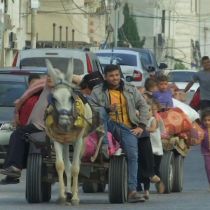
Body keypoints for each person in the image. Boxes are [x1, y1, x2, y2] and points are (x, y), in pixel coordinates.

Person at [90, 64, 149, 203]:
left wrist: (141, 125)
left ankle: (132, 191)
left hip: (126, 127)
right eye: (111, 76)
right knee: (101, 111)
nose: (114, 78)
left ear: (120, 75)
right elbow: (90, 107)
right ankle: (104, 148)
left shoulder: (130, 89)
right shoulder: (97, 90)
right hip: (105, 124)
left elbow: (143, 106)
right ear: (105, 77)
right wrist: (106, 108)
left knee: (133, 155)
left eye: (117, 75)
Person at [0, 75, 54, 179]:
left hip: (41, 126)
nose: (36, 86)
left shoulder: (42, 92)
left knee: (18, 135)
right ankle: (12, 171)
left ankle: (14, 167)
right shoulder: (37, 96)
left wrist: (17, 111)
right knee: (20, 137)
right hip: (39, 127)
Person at [200, 108, 210, 191]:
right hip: (206, 152)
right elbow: (197, 138)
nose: (207, 122)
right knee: (208, 168)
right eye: (205, 120)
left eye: (209, 120)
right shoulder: (201, 129)